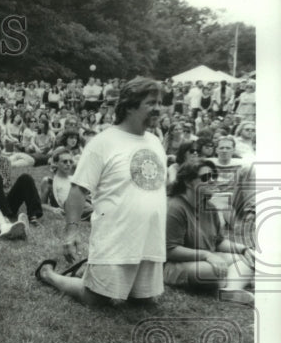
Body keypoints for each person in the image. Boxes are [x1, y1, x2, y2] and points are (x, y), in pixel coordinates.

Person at [36, 77, 166, 306]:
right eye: (151, 103)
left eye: (159, 102)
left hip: (149, 239)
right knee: (96, 299)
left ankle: (91, 271)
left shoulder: (155, 141)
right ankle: (49, 274)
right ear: (130, 105)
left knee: (145, 302)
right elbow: (77, 190)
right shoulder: (103, 142)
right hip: (116, 238)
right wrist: (71, 232)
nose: (158, 109)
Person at [163, 160, 254, 305]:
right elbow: (171, 250)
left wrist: (244, 249)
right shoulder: (175, 207)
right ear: (188, 182)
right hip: (175, 265)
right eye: (205, 177)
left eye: (213, 177)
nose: (212, 181)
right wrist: (207, 255)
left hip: (206, 259)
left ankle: (229, 290)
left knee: (245, 260)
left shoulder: (209, 206)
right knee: (211, 271)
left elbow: (218, 241)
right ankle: (231, 279)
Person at [0, 134, 44, 225]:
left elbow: (6, 184)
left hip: (6, 200)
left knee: (26, 178)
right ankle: (4, 216)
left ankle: (33, 215)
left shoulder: (5, 161)